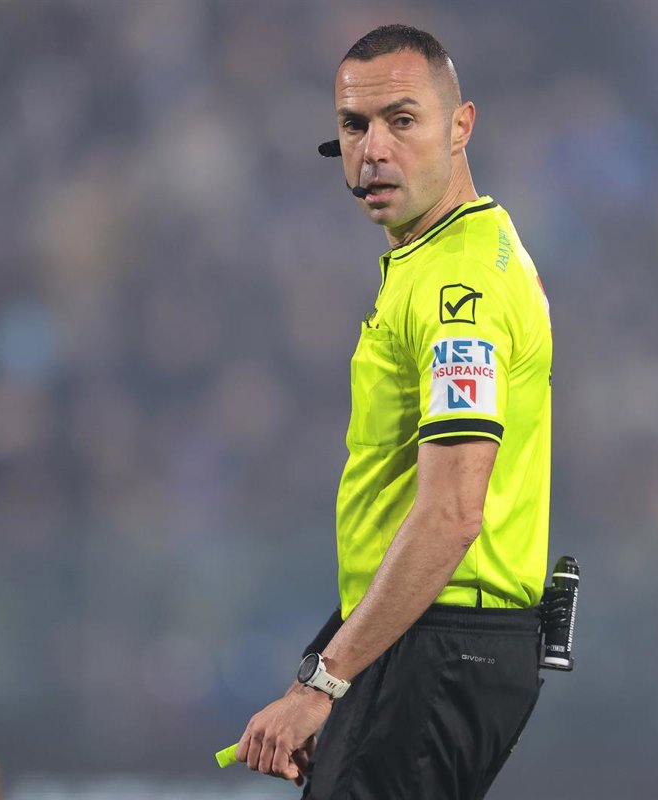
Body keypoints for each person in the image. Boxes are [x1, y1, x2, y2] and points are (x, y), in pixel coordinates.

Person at [235, 23, 553, 799]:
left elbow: (450, 513)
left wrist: (326, 684)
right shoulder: (446, 258)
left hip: (440, 642)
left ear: (461, 126)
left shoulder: (458, 290)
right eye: (354, 126)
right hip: (432, 639)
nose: (373, 150)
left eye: (402, 120)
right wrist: (332, 660)